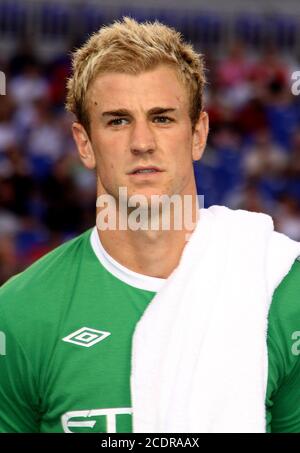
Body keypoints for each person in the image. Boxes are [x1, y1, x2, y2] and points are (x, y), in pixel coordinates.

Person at [0, 17, 299, 433]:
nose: (142, 142)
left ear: (198, 134)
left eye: (162, 118)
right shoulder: (19, 313)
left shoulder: (281, 291)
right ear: (84, 143)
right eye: (118, 121)